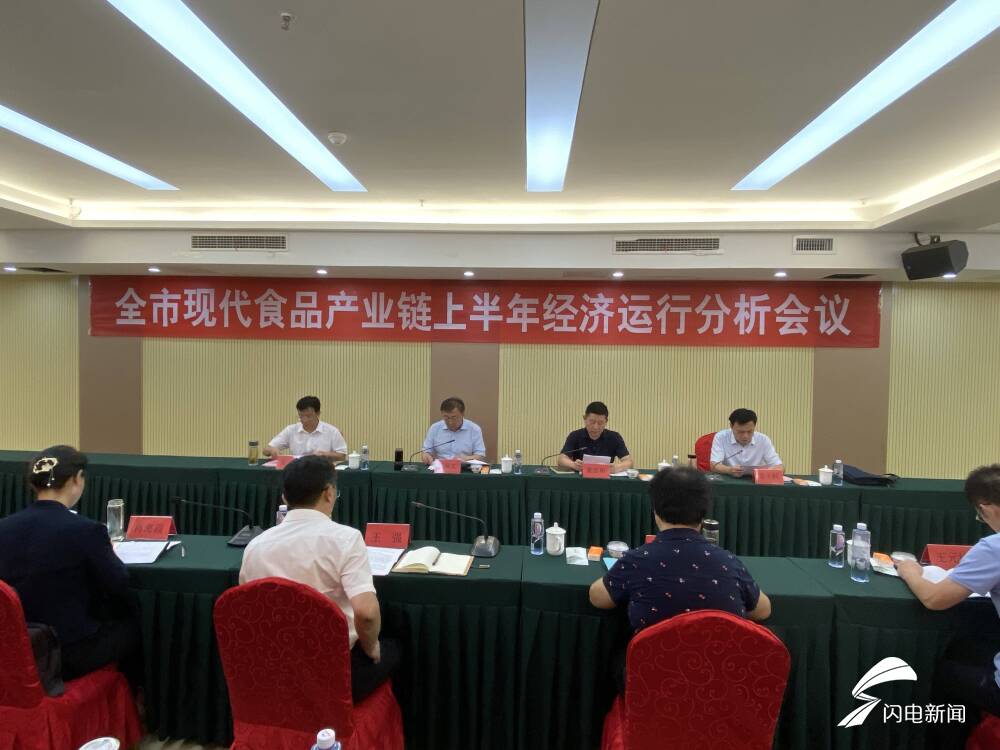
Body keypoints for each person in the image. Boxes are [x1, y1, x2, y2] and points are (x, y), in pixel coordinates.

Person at [589, 466, 771, 694]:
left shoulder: (637, 560)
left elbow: (598, 597)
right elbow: (763, 610)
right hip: (719, 690)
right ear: (703, 514)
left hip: (652, 688)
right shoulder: (728, 562)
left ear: (656, 511)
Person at [240, 455, 400, 702]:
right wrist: (371, 647)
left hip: (273, 670)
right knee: (394, 647)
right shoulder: (346, 539)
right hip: (333, 674)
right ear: (329, 493)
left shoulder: (256, 546)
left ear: (284, 498)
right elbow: (367, 614)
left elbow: (248, 610)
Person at [0, 445, 140, 685]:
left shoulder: (3, 528)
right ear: (77, 479)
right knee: (134, 627)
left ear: (34, 483)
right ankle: (139, 702)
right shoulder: (86, 531)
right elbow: (118, 582)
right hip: (66, 654)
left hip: (13, 650)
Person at [897, 464, 1000, 745]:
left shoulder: (994, 547)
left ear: (986, 509)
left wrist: (911, 572)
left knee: (939, 675)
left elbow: (934, 599)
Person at [264, 395, 348, 461]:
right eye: (301, 416)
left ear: (318, 413)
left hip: (323, 472)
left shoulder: (332, 431)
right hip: (298, 471)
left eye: (308, 416)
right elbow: (266, 450)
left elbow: (342, 456)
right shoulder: (291, 430)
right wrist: (272, 450)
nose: (304, 420)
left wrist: (324, 454)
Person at [558, 401, 633, 471]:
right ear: (585, 419)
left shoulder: (614, 437)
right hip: (580, 478)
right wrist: (573, 465)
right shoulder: (575, 436)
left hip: (606, 479)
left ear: (606, 422)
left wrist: (617, 467)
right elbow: (561, 459)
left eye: (600, 423)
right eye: (592, 422)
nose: (595, 427)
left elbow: (629, 462)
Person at [709, 408, 784, 476]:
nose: (745, 436)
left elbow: (780, 467)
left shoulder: (763, 440)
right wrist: (729, 470)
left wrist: (769, 472)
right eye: (740, 432)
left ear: (754, 426)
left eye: (750, 431)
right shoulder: (721, 437)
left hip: (756, 482)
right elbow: (714, 465)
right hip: (729, 479)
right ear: (731, 426)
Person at [421, 396, 486, 464]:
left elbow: (480, 455)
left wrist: (467, 458)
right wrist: (426, 455)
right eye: (446, 417)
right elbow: (426, 451)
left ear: (463, 414)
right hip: (441, 467)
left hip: (464, 467)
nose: (450, 422)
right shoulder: (435, 428)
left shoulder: (474, 429)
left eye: (454, 417)